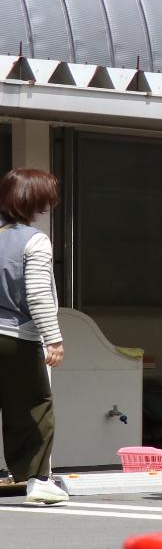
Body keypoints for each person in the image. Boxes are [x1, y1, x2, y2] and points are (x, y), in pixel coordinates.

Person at [0, 169, 66, 504]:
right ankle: (37, 480)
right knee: (34, 406)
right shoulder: (34, 240)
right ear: (35, 200)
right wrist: (52, 338)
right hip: (15, 336)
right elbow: (38, 294)